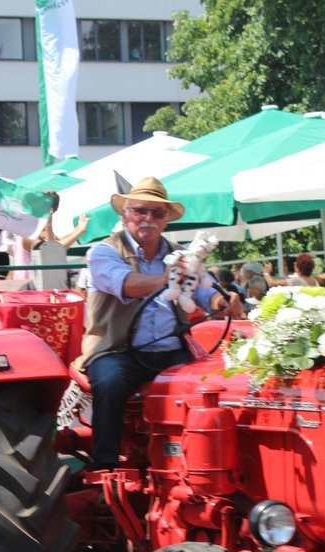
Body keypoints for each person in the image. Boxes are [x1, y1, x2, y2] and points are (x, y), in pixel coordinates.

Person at [73, 177, 235, 470]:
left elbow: (202, 290)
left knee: (216, 385)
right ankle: (106, 466)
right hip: (118, 350)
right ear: (125, 214)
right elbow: (126, 283)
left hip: (171, 349)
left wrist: (221, 303)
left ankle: (203, 459)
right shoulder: (103, 252)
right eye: (140, 211)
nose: (148, 218)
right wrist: (166, 278)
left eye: (157, 213)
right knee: (109, 383)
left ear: (166, 220)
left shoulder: (181, 255)